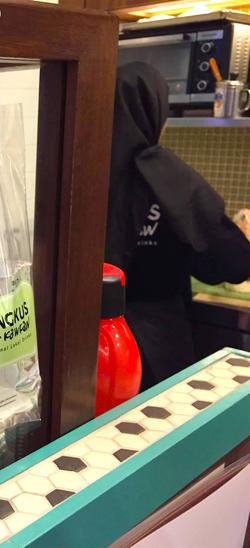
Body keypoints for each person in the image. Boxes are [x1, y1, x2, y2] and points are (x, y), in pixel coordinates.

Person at [105, 61, 250, 390]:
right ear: (157, 112)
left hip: (97, 345)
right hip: (161, 345)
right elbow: (231, 260)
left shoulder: (86, 169)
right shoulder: (173, 179)